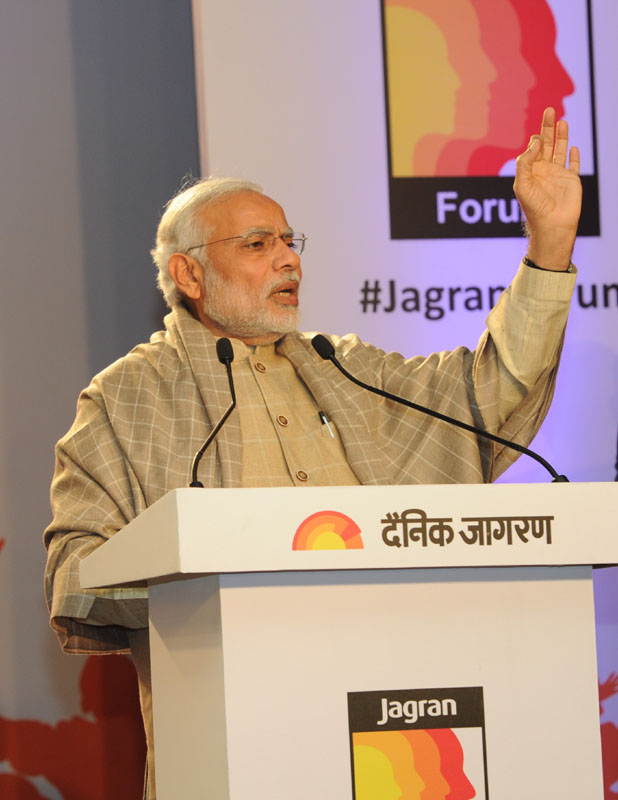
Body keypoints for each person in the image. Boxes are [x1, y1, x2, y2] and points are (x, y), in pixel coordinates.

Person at [44, 108, 581, 799]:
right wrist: (188, 580)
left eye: (289, 241)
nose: (289, 258)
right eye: (257, 243)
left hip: (394, 735)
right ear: (189, 274)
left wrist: (550, 245)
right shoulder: (127, 397)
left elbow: (492, 389)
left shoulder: (349, 370)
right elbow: (75, 572)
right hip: (234, 744)